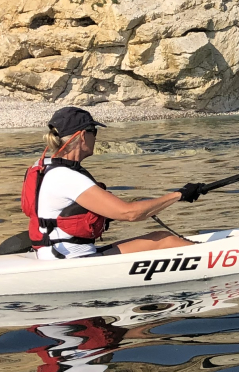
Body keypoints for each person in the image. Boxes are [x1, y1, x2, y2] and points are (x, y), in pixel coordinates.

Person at [23, 106, 204, 259]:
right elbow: (130, 213)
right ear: (83, 136)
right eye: (94, 132)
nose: (96, 138)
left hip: (56, 253)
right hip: (73, 259)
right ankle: (211, 259)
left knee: (161, 237)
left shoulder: (45, 167)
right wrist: (179, 195)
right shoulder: (67, 177)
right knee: (165, 240)